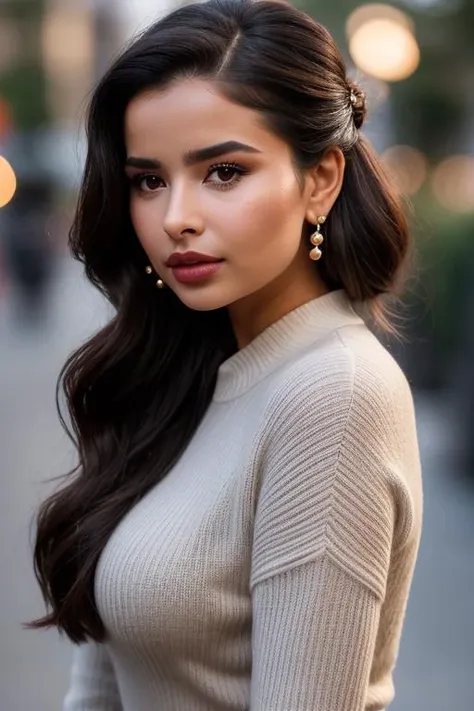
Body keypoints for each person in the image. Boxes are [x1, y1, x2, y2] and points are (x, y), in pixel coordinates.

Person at [29, 1, 423, 709]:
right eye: (149, 180)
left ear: (320, 179)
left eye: (223, 172)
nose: (176, 215)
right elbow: (101, 686)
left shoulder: (333, 392)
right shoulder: (184, 370)